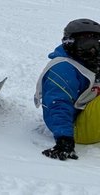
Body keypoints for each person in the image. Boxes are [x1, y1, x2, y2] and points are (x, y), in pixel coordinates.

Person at [34, 18, 100, 161]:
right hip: (75, 128)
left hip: (88, 113)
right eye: (87, 43)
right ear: (70, 43)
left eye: (97, 43)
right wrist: (64, 138)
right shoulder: (63, 68)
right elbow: (58, 103)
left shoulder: (88, 61)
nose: (93, 49)